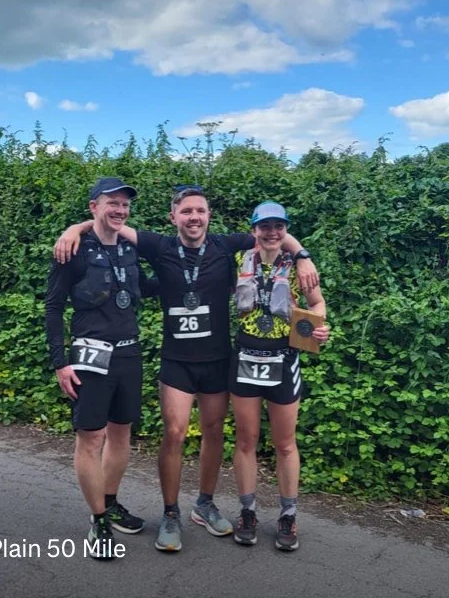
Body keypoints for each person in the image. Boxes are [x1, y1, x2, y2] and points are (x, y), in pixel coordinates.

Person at [54, 185, 319, 553]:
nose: (194, 217)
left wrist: (303, 256)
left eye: (201, 211)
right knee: (175, 432)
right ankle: (170, 512)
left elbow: (274, 234)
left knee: (213, 433)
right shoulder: (157, 245)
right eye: (187, 211)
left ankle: (205, 504)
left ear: (209, 216)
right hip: (176, 361)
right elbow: (108, 222)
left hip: (217, 359)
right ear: (173, 216)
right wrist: (74, 229)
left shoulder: (227, 245)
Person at [45, 177, 158, 559]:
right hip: (90, 357)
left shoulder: (129, 248)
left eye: (124, 205)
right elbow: (54, 307)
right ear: (93, 206)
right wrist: (61, 363)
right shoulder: (72, 249)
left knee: (121, 434)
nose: (120, 210)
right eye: (112, 203)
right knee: (91, 439)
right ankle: (98, 522)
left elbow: (144, 287)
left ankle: (109, 502)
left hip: (128, 355)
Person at [229, 201, 330, 552]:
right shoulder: (237, 257)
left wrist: (317, 327)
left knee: (285, 443)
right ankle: (248, 511)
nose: (272, 233)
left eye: (279, 227)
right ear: (253, 230)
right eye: (265, 226)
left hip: (283, 362)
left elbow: (318, 305)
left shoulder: (299, 266)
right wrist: (302, 250)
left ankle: (288, 514)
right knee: (246, 440)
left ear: (285, 229)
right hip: (244, 360)